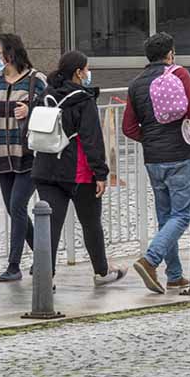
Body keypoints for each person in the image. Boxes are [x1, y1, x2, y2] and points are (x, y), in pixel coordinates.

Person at [32, 50, 126, 285]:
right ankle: (102, 272)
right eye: (86, 69)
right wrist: (101, 173)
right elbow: (91, 139)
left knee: (49, 226)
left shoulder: (45, 95)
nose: (87, 73)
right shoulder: (83, 100)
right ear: (78, 72)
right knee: (91, 224)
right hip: (79, 173)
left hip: (46, 168)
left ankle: (44, 276)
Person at [124, 32, 190, 293]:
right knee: (183, 214)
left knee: (165, 216)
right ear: (170, 53)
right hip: (179, 156)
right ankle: (150, 260)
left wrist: (148, 140)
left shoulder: (136, 84)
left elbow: (128, 127)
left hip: (153, 160)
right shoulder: (179, 74)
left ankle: (174, 275)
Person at [0, 33, 47, 282]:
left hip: (28, 155)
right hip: (1, 157)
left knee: (17, 206)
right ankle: (44, 256)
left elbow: (53, 108)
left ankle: (14, 265)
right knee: (15, 211)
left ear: (10, 53)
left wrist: (31, 109)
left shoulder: (36, 80)